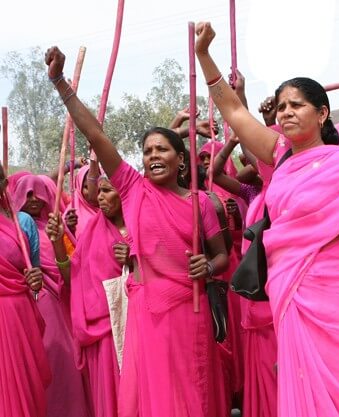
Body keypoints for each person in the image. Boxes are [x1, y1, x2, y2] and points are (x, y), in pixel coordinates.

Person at [195, 21, 339, 417]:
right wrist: (204, 55)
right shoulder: (279, 154)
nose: (287, 112)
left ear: (322, 112)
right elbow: (235, 111)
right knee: (305, 380)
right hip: (293, 292)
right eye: (281, 107)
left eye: (297, 105)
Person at [45, 46, 231, 417]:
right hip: (147, 313)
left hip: (188, 312)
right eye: (147, 151)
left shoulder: (201, 203)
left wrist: (207, 268)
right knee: (154, 399)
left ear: (181, 159)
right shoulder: (132, 188)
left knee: (193, 394)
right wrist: (60, 83)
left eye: (163, 149)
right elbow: (96, 135)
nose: (153, 156)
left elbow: (222, 256)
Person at [46, 175, 129, 417]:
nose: (100, 197)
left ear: (123, 192)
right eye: (98, 192)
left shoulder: (141, 225)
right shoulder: (93, 230)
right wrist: (59, 244)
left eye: (106, 191)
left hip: (137, 326)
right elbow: (74, 278)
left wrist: (133, 260)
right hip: (102, 331)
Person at [12, 173, 92, 417]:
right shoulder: (16, 226)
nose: (34, 199)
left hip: (60, 301)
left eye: (37, 193)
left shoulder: (57, 227)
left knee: (64, 361)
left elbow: (73, 261)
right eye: (27, 194)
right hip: (32, 300)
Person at [0, 165, 51, 417]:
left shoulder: (20, 223)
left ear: (4, 184)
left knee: (28, 387)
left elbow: (34, 272)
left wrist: (34, 279)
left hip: (21, 313)